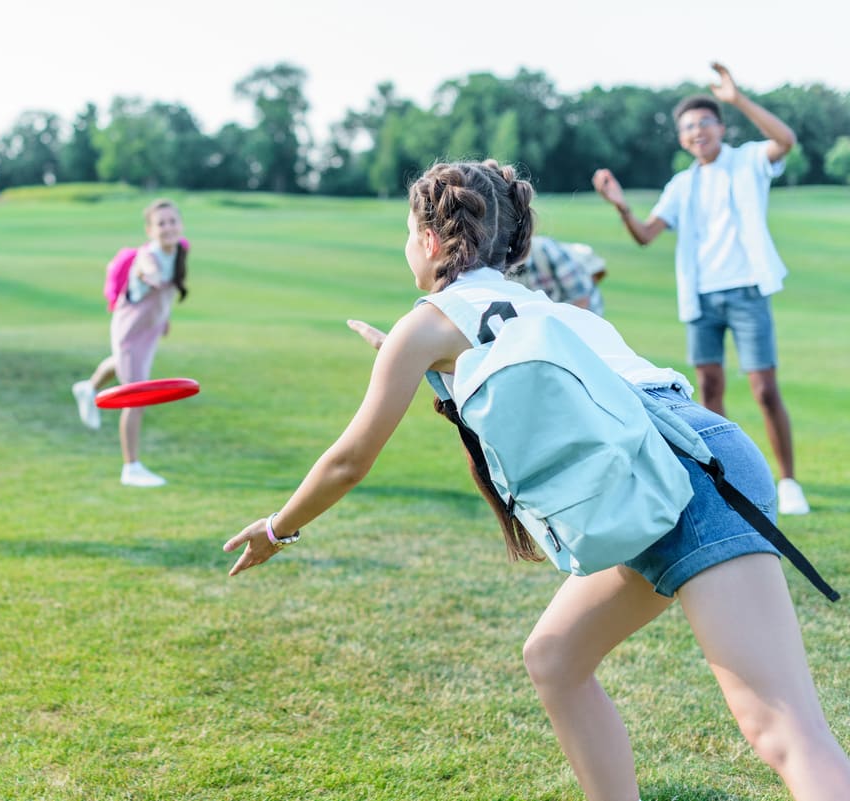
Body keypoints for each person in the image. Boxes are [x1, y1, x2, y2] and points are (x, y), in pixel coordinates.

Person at [224, 159, 850, 800]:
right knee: (555, 657)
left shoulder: (431, 320)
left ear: (433, 241)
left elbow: (348, 461)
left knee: (782, 731)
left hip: (685, 471)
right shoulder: (533, 303)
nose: (408, 246)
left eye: (410, 232)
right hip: (648, 473)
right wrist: (423, 366)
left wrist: (279, 529)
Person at [592, 62, 809, 515]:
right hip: (701, 296)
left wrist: (738, 97)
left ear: (720, 127)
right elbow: (646, 234)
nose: (697, 132)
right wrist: (621, 207)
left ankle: (788, 481)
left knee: (765, 389)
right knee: (709, 391)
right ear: (681, 138)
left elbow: (785, 140)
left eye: (705, 122)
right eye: (688, 127)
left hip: (746, 289)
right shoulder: (681, 183)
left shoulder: (747, 160)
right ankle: (728, 477)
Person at [71, 199, 189, 487]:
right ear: (149, 230)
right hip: (129, 331)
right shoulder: (147, 258)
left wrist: (165, 318)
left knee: (124, 368)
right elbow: (148, 271)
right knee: (136, 398)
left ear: (180, 225)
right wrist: (147, 275)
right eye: (161, 223)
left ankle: (87, 388)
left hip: (150, 331)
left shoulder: (180, 251)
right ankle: (131, 467)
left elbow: (169, 289)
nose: (168, 227)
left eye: (172, 221)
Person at [512, 235, 607, 315]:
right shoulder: (504, 264)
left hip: (584, 313)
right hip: (548, 316)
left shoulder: (545, 249)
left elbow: (582, 300)